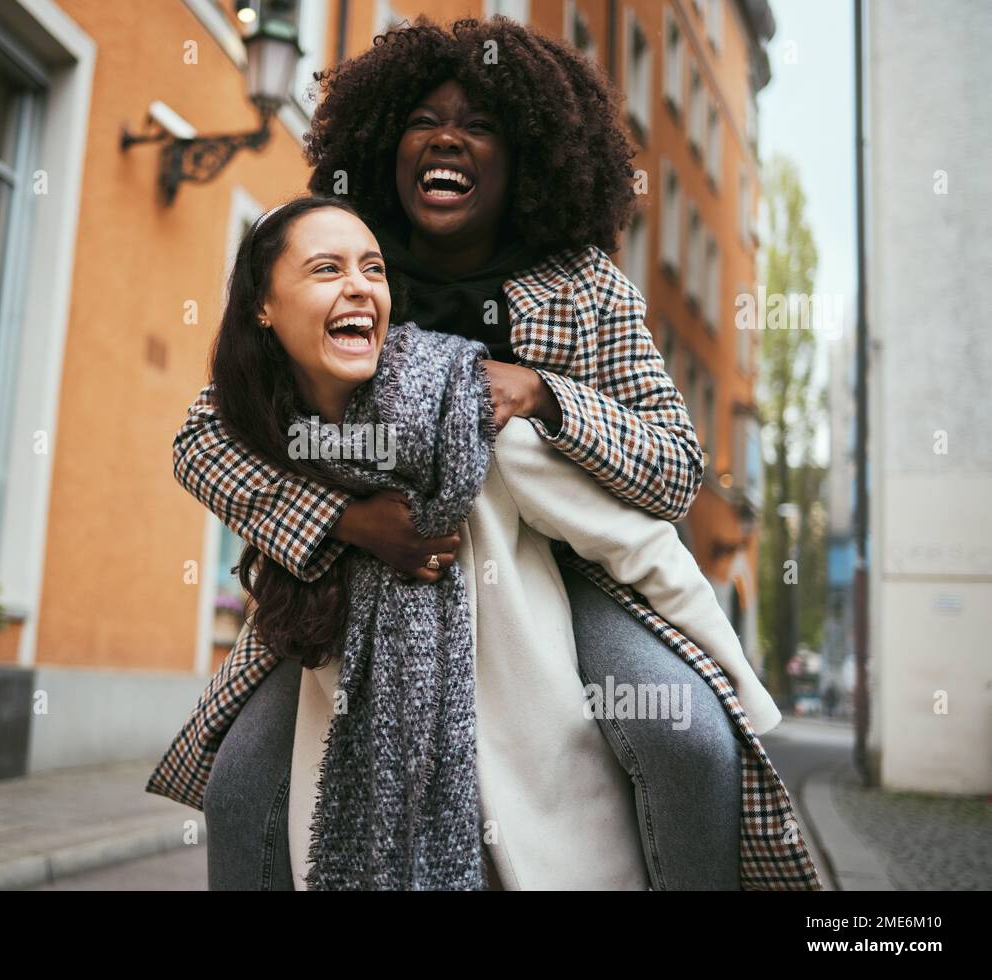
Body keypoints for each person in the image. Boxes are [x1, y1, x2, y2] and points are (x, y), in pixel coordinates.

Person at [147, 18, 823, 892]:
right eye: (423, 119)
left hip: (566, 574)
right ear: (389, 144)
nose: (447, 138)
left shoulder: (582, 286)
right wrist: (348, 520)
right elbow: (209, 438)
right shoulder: (351, 273)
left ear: (529, 159)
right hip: (360, 580)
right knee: (240, 779)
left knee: (685, 737)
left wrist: (545, 396)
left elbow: (675, 466)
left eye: (480, 124)